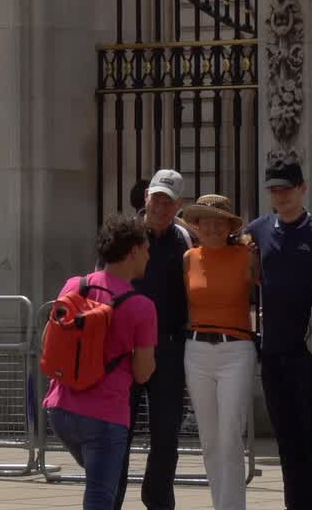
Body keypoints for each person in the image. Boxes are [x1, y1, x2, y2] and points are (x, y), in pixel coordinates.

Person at [44, 214, 158, 510]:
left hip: (60, 409)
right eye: (146, 248)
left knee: (97, 478)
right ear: (133, 250)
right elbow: (144, 373)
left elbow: (50, 338)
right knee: (99, 495)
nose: (148, 255)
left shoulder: (74, 285)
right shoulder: (142, 307)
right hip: (106, 415)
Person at [244, 158, 312, 510]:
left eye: (287, 189)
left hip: (310, 352)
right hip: (272, 351)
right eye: (274, 190)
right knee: (286, 440)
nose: (280, 196)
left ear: (303, 189)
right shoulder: (257, 229)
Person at [178, 194, 259, 510]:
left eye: (218, 221)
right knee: (209, 439)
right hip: (196, 350)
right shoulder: (188, 258)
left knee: (230, 435)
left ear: (229, 226)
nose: (211, 227)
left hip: (236, 349)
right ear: (196, 226)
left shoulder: (247, 256)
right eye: (204, 220)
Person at [133, 168, 191, 510]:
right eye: (156, 199)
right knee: (118, 434)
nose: (160, 207)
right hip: (128, 348)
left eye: (168, 202)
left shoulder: (185, 240)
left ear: (178, 204)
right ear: (146, 198)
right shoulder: (126, 235)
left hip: (169, 348)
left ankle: (157, 500)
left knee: (166, 436)